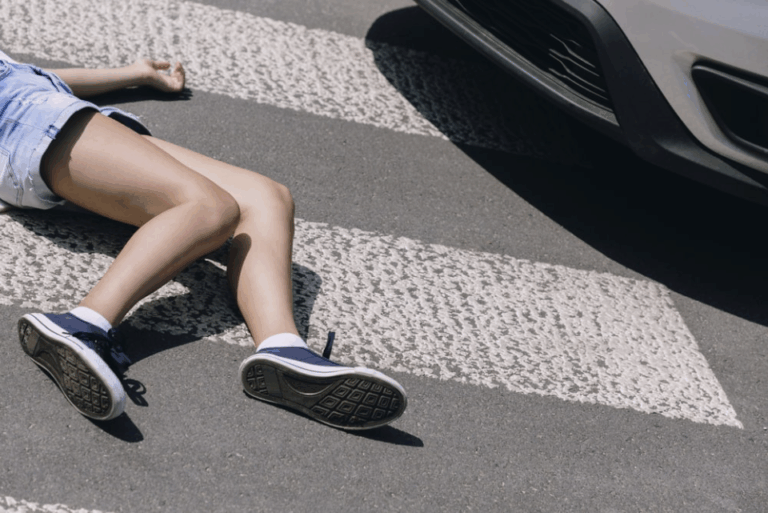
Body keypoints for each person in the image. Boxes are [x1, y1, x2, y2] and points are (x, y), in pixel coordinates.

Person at [2, 50, 406, 430]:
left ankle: (283, 350)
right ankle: (82, 324)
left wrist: (134, 74)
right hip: (28, 120)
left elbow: (39, 76)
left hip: (44, 115)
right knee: (210, 208)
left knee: (266, 197)